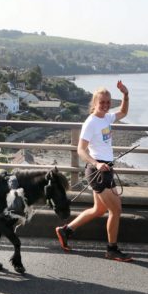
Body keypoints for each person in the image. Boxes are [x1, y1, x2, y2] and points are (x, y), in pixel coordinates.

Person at [55, 81, 132, 262]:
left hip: (107, 169)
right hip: (97, 171)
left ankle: (65, 231)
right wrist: (96, 163)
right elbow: (81, 150)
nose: (105, 105)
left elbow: (123, 112)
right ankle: (112, 249)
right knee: (116, 210)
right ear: (94, 103)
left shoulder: (107, 117)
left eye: (107, 102)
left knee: (99, 210)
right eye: (102, 102)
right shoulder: (90, 122)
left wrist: (126, 95)